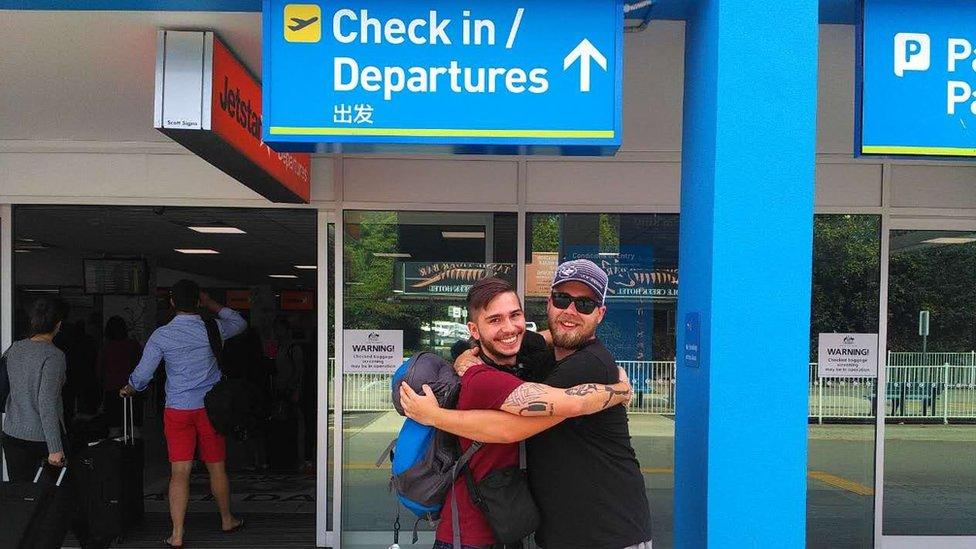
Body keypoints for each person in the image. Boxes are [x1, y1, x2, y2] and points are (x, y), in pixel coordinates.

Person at [401, 261, 654, 549]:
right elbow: (533, 341)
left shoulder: (588, 364)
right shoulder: (530, 359)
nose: (570, 311)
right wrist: (619, 390)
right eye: (562, 299)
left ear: (601, 313)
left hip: (607, 533)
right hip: (527, 531)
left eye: (585, 304)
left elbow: (512, 428)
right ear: (549, 303)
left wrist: (436, 414)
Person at [120, 280, 246, 548]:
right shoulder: (213, 329)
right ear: (198, 302)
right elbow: (239, 322)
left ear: (172, 303)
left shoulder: (162, 335)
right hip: (211, 409)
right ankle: (226, 519)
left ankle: (177, 534)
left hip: (177, 409)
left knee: (179, 472)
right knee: (216, 466)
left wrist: (130, 387)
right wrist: (212, 303)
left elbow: (143, 375)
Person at [2, 297, 68, 478]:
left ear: (33, 321)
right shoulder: (54, 356)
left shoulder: (14, 348)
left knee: (21, 497)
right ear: (58, 325)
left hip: (12, 434)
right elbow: (46, 403)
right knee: (52, 498)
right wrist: (55, 448)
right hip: (41, 439)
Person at [96, 316, 142, 435]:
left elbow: (99, 370)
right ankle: (135, 452)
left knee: (114, 428)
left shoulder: (106, 347)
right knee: (134, 428)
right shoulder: (133, 345)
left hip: (112, 390)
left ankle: (115, 451)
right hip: (132, 389)